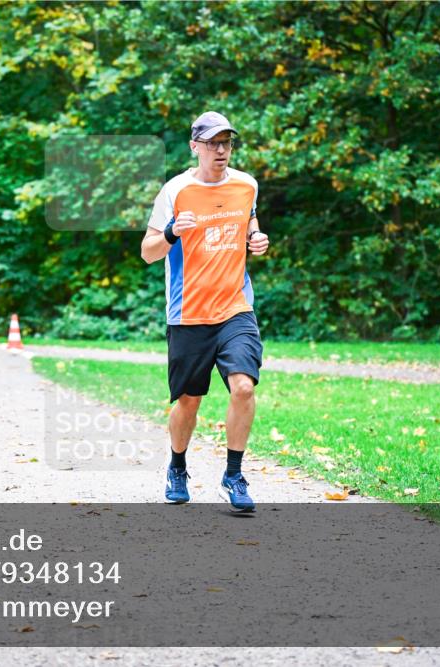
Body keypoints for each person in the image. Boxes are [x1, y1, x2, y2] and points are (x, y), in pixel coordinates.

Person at [140, 111, 271, 513]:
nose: (220, 150)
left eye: (226, 143)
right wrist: (171, 231)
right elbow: (147, 253)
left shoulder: (246, 185)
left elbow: (248, 222)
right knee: (188, 401)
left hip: (235, 306)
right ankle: (177, 467)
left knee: (244, 387)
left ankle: (234, 475)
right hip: (188, 314)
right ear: (194, 146)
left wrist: (256, 238)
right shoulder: (175, 191)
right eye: (212, 143)